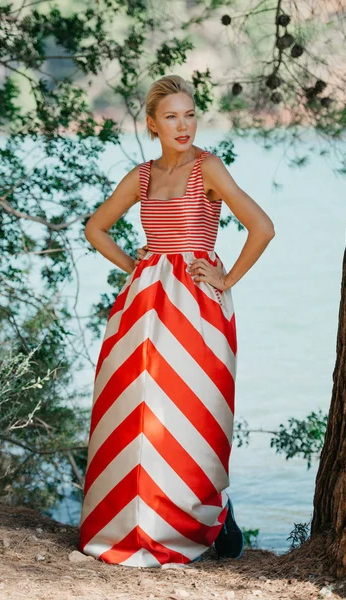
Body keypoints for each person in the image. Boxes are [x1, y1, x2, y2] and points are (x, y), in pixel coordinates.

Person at [78, 74, 275, 568]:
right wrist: (135, 265)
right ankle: (129, 525)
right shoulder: (141, 177)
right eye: (171, 116)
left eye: (189, 114)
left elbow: (262, 227)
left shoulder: (208, 167)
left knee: (193, 416)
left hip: (197, 310)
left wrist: (227, 280)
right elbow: (95, 228)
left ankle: (208, 519)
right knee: (139, 410)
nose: (183, 125)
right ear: (152, 123)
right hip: (144, 305)